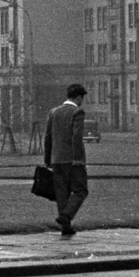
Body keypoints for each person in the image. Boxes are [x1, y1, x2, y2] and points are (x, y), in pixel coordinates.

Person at [44, 83, 90, 237]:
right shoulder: (77, 112)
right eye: (82, 98)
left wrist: (47, 159)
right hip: (72, 160)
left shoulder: (53, 112)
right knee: (80, 190)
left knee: (62, 194)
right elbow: (77, 137)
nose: (82, 101)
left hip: (56, 160)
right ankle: (66, 216)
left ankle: (65, 227)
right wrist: (77, 158)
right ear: (79, 97)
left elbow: (48, 136)